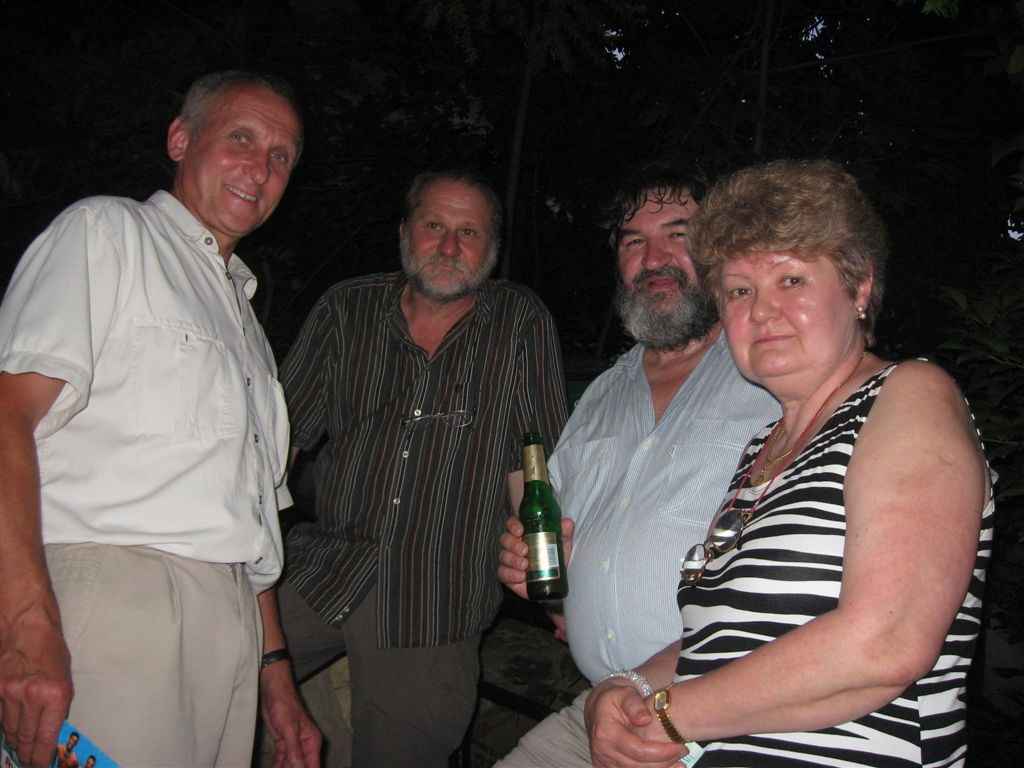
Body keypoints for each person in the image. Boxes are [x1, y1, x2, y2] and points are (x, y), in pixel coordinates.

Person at [585, 159, 994, 768]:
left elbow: (884, 644)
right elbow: (722, 639)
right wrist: (626, 686)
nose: (761, 311)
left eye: (792, 280)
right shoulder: (763, 451)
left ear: (859, 288)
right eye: (740, 290)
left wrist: (668, 714)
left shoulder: (908, 395)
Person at [0, 71, 319, 768]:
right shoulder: (108, 233)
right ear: (180, 140)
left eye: (280, 156)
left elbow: (247, 521)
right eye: (241, 138)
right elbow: (7, 417)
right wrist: (23, 624)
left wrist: (275, 675)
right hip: (115, 608)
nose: (260, 168)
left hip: (231, 626)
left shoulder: (247, 328)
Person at [260, 169, 569, 767]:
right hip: (322, 567)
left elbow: (532, 470)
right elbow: (277, 446)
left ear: (492, 248)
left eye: (469, 232)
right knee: (209, 679)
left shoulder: (518, 320)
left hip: (436, 594)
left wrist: (555, 594)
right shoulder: (346, 308)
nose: (449, 246)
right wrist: (234, 559)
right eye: (434, 226)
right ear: (405, 232)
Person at [494, 162, 779, 767]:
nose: (654, 259)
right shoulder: (602, 392)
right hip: (604, 707)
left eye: (678, 235)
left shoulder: (771, 373)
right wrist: (540, 579)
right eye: (633, 242)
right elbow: (556, 538)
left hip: (729, 715)